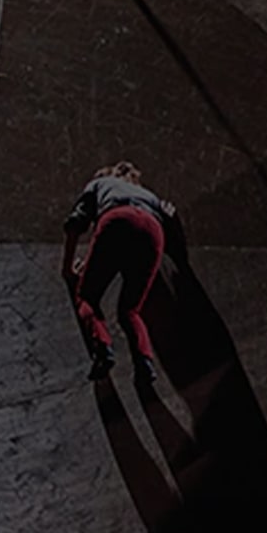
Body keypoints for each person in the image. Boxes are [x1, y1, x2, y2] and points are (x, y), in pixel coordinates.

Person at [61, 161, 177, 385]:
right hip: (153, 230)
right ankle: (144, 363)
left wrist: (67, 268)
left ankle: (103, 348)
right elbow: (171, 222)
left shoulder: (99, 183)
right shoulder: (149, 195)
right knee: (131, 309)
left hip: (117, 220)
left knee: (87, 298)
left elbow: (75, 223)